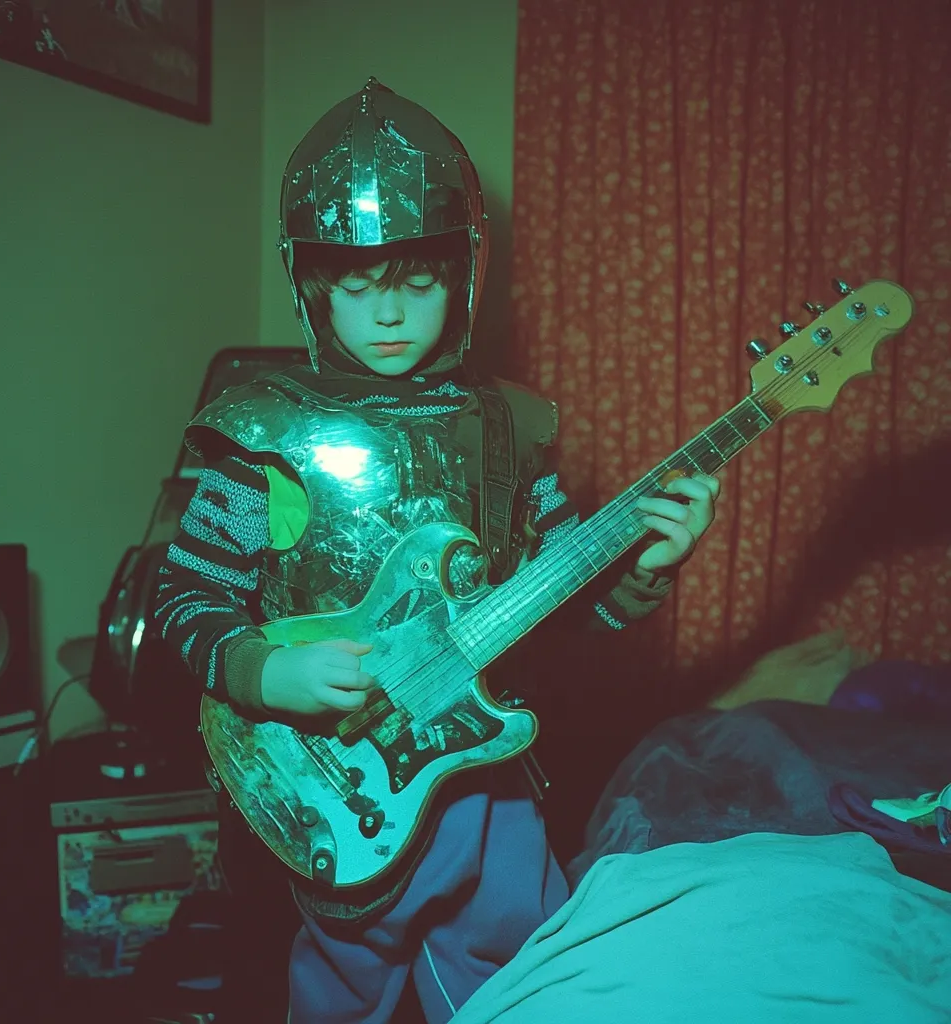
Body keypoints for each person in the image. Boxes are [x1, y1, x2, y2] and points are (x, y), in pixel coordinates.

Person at [154, 77, 720, 1024]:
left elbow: (560, 589)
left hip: (485, 777)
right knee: (340, 985)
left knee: (522, 971)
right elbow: (184, 597)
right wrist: (266, 671)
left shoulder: (509, 425)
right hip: (335, 783)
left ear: (464, 274)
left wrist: (643, 570)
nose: (389, 314)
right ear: (310, 281)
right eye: (360, 286)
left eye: (417, 284)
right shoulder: (268, 433)